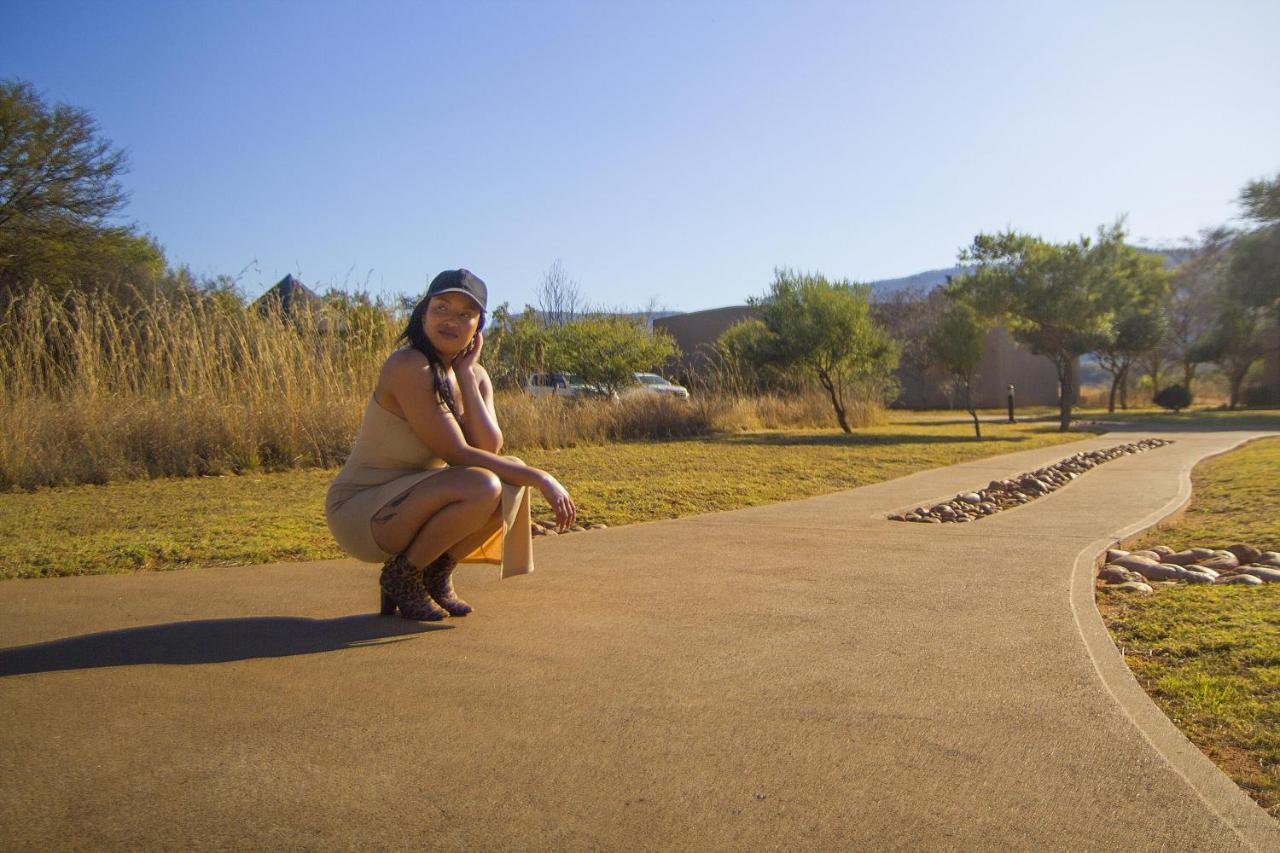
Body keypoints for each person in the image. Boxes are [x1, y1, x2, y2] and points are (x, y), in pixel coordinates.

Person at [325, 269, 575, 621]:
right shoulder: (408, 365)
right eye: (441, 308)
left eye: (465, 314)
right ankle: (403, 575)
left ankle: (433, 573)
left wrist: (468, 376)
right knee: (484, 482)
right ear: (423, 313)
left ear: (478, 326)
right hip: (362, 511)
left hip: (411, 500)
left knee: (507, 480)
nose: (451, 321)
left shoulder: (476, 375)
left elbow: (487, 447)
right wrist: (542, 477)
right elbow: (457, 453)